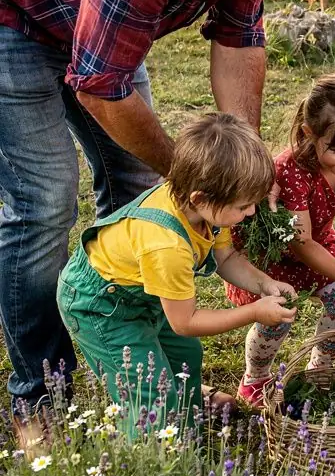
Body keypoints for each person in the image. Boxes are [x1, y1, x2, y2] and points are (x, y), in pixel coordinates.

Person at [0, 0, 335, 441]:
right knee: (45, 204)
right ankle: (41, 396)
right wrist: (202, 178)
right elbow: (100, 87)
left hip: (94, 13)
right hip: (13, 2)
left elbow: (240, 44)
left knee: (139, 183)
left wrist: (243, 170)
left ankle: (137, 339)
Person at [56, 114, 297, 429]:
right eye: (243, 206)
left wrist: (265, 284)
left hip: (141, 294)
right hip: (101, 307)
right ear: (201, 198)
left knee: (186, 356)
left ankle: (185, 411)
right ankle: (158, 448)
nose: (251, 212)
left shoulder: (206, 209)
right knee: (147, 393)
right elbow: (185, 322)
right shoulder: (167, 246)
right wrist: (254, 312)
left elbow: (226, 259)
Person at [225, 73, 335, 408]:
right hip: (275, 254)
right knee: (278, 314)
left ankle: (319, 372)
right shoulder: (292, 170)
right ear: (308, 134)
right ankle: (256, 379)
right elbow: (299, 242)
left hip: (317, 244)